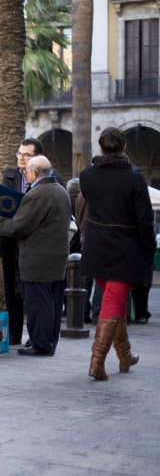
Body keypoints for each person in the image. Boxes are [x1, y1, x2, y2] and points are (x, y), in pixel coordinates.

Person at [79, 127, 153, 380]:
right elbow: (145, 222)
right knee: (112, 303)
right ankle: (97, 361)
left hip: (97, 248)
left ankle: (125, 355)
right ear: (124, 148)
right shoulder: (135, 179)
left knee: (115, 303)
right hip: (125, 251)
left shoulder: (86, 176)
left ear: (100, 148)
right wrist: (149, 248)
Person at [0, 156, 71, 357]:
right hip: (57, 258)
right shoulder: (61, 191)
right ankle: (48, 342)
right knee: (52, 302)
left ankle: (40, 344)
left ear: (33, 173)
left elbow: (18, 227)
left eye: (26, 171)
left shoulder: (37, 194)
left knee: (38, 303)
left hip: (38, 259)